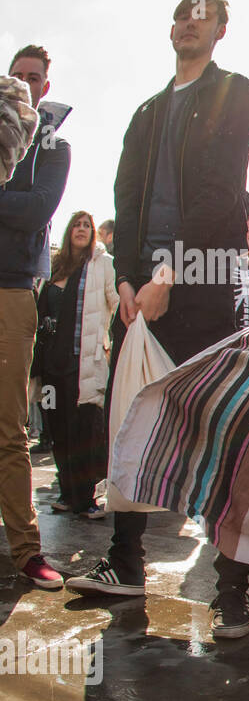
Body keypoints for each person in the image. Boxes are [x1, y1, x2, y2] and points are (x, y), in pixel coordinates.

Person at [65, 0, 249, 642]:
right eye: (181, 14)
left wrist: (170, 273)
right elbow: (125, 190)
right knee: (132, 423)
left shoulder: (234, 92)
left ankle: (233, 590)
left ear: (221, 30)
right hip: (143, 290)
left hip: (202, 285)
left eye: (201, 16)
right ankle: (125, 563)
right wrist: (126, 274)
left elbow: (221, 191)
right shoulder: (148, 112)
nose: (189, 24)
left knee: (220, 429)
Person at [0, 44, 68, 589]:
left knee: (9, 431)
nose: (24, 82)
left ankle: (25, 550)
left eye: (34, 77)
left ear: (45, 87)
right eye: (15, 75)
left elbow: (35, 211)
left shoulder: (55, 147)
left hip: (11, 291)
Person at [34, 211, 115, 518]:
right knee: (58, 429)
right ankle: (68, 494)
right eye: (77, 225)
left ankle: (88, 498)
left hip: (83, 364)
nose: (81, 230)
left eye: (87, 226)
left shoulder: (101, 264)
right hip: (51, 368)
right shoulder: (54, 267)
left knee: (85, 433)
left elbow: (116, 303)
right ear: (69, 232)